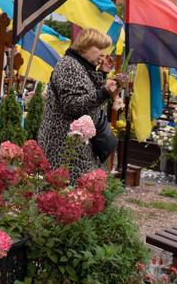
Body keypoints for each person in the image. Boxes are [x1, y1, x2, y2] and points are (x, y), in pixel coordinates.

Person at [37, 28, 117, 180]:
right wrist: (104, 92)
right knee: (64, 194)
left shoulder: (79, 66)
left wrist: (103, 72)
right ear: (85, 46)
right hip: (63, 147)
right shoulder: (69, 66)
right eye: (99, 48)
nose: (102, 54)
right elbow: (73, 104)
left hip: (74, 145)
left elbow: (87, 88)